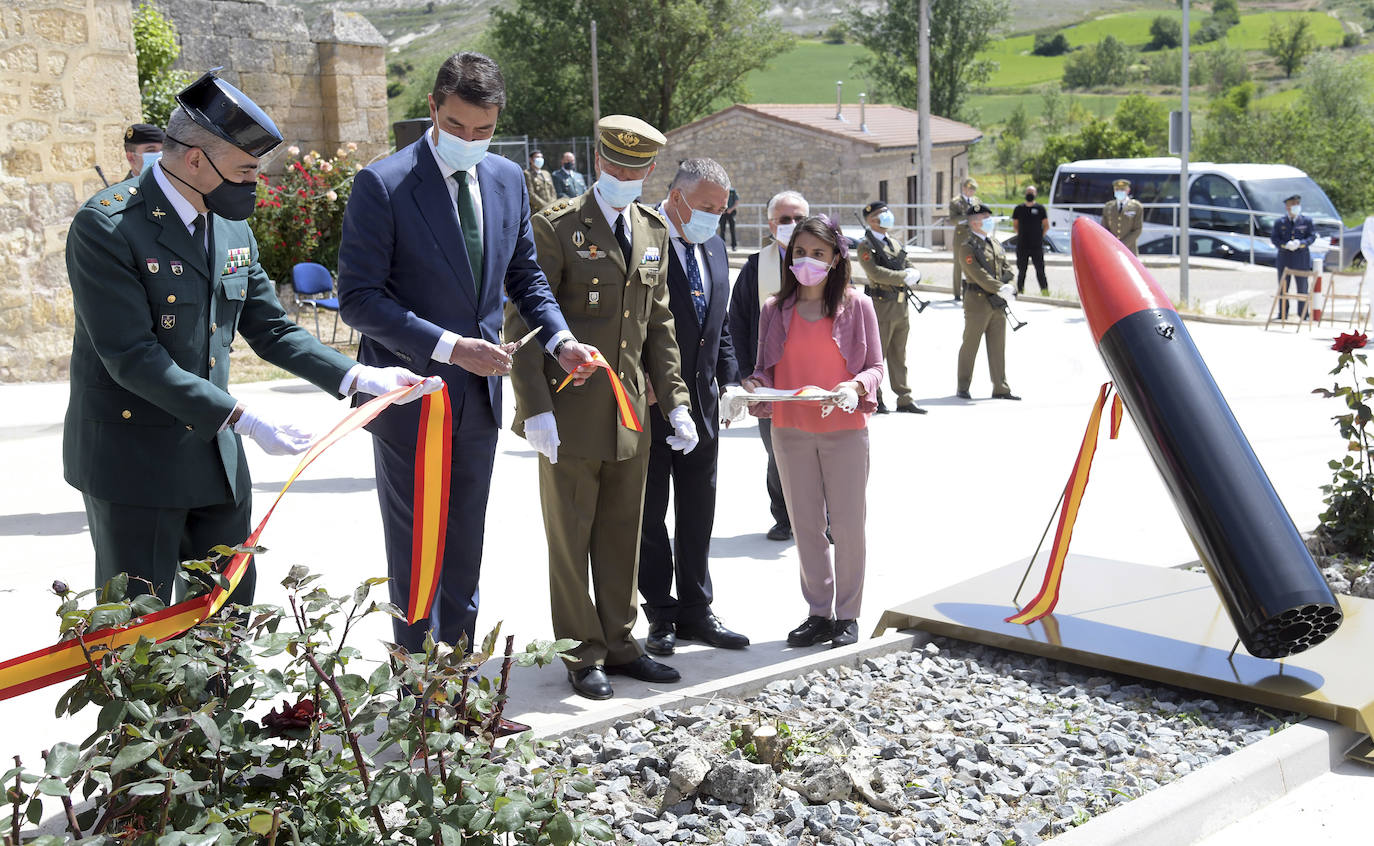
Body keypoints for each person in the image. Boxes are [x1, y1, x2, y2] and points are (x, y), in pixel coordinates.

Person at [64, 71, 435, 607]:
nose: (252, 185)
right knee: (135, 635)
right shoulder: (108, 227)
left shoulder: (227, 222)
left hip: (214, 456)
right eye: (243, 171)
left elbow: (271, 326)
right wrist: (247, 420)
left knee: (226, 616)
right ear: (195, 160)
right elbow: (133, 357)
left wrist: (357, 377)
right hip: (133, 462)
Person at [337, 52, 597, 655]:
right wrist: (452, 349)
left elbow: (525, 274)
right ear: (432, 108)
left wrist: (559, 339)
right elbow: (358, 299)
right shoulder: (385, 184)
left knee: (465, 541)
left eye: (484, 131)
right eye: (456, 127)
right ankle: (417, 698)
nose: (469, 140)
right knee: (416, 545)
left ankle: (456, 687)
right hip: (412, 395)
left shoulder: (506, 180)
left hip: (478, 400)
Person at [505, 115, 697, 701]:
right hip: (567, 414)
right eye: (616, 165)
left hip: (629, 413)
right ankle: (580, 651)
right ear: (597, 161)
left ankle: (619, 641)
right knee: (570, 536)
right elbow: (524, 317)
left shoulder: (653, 231)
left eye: (637, 169)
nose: (625, 176)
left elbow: (659, 325)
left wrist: (678, 401)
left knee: (622, 531)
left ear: (649, 172)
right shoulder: (558, 226)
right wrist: (533, 406)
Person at [741, 214, 883, 649]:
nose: (807, 261)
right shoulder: (773, 309)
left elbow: (876, 367)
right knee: (805, 525)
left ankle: (848, 614)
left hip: (844, 429)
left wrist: (854, 385)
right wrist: (750, 387)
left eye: (818, 254)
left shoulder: (858, 306)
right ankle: (818, 612)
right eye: (799, 252)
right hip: (789, 430)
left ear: (836, 258)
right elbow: (764, 369)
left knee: (847, 524)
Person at [637, 159, 748, 658]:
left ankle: (697, 610)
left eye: (721, 210)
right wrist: (643, 381)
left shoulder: (715, 246)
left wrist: (731, 381)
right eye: (706, 208)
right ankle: (660, 613)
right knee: (650, 513)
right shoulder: (641, 237)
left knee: (698, 509)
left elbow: (716, 325)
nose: (713, 218)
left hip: (702, 404)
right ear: (676, 196)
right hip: (650, 402)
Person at [729, 190, 807, 542]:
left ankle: (824, 518)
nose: (793, 226)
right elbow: (738, 322)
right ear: (771, 224)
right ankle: (784, 517)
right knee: (778, 451)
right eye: (785, 219)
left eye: (800, 219)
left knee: (824, 449)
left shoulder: (830, 261)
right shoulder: (757, 266)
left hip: (817, 377)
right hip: (771, 380)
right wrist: (745, 373)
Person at [856, 200, 925, 415]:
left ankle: (904, 398)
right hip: (882, 306)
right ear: (871, 219)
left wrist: (914, 273)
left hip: (901, 306)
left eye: (887, 212)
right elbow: (875, 273)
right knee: (879, 355)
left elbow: (907, 263)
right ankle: (875, 397)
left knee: (899, 355)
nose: (887, 216)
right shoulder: (865, 245)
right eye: (881, 213)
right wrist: (904, 276)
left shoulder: (894, 243)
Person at [956, 204, 1020, 402]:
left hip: (997, 302)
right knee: (970, 345)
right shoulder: (967, 246)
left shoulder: (994, 242)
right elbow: (977, 274)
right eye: (985, 217)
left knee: (998, 346)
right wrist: (1000, 288)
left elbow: (1008, 269)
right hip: (977, 302)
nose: (989, 220)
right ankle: (963, 386)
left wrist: (1011, 285)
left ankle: (1001, 387)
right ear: (974, 221)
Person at [1271, 193, 1317, 320]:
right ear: (1287, 207)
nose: (1296, 206)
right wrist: (1285, 245)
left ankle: (1303, 314)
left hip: (1301, 258)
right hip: (1285, 258)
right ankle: (1283, 313)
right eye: (1293, 204)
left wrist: (1301, 243)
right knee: (1283, 286)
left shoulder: (1306, 221)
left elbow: (1312, 236)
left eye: (1297, 204)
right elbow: (1274, 238)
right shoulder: (1280, 222)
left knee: (1302, 287)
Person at [1011, 186, 1049, 294]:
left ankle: (1045, 292)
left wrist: (1039, 236)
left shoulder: (1040, 208)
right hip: (1022, 245)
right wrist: (1022, 234)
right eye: (1028, 192)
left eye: (1031, 192)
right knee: (1022, 270)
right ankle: (1020, 291)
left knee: (1040, 270)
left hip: (1036, 246)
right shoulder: (1019, 208)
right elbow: (1015, 225)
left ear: (1035, 194)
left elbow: (1046, 225)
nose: (1029, 194)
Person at [1102, 178, 1144, 254]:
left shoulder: (1136, 207)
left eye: (1122, 190)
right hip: (1112, 249)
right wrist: (1113, 243)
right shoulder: (1108, 207)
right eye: (1117, 190)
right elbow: (1104, 228)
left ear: (1128, 190)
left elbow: (1137, 229)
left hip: (1130, 249)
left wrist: (1122, 244)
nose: (1119, 192)